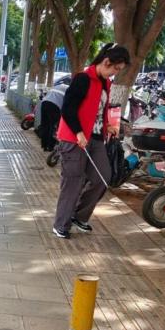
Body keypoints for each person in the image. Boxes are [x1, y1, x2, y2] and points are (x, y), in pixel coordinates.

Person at [52, 43, 130, 239]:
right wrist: (78, 133)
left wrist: (106, 126)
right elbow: (68, 109)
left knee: (102, 178)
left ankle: (79, 216)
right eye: (115, 68)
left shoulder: (105, 83)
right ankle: (61, 224)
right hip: (74, 139)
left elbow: (98, 110)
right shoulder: (83, 79)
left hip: (95, 138)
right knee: (73, 182)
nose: (115, 73)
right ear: (106, 61)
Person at [36, 83, 68, 152]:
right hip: (54, 105)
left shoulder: (57, 86)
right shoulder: (68, 89)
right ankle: (50, 146)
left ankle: (44, 145)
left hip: (44, 103)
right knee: (53, 126)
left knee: (45, 124)